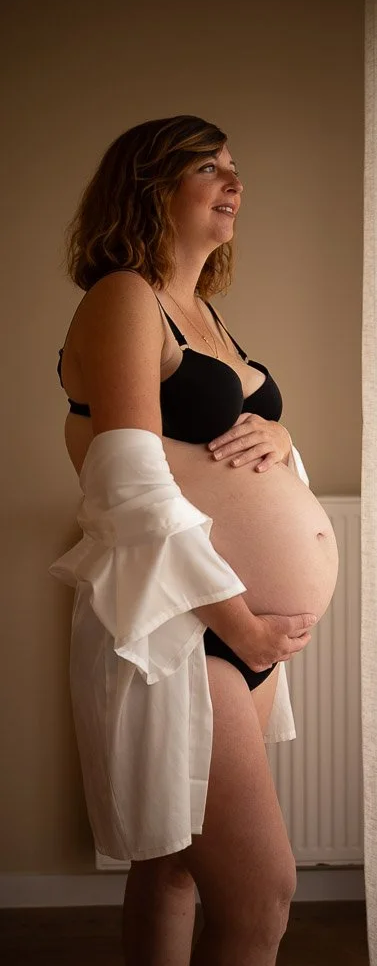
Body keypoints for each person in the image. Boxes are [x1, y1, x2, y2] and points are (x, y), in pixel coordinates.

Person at [49, 114, 335, 966]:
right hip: (188, 627)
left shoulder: (203, 312)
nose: (234, 183)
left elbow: (238, 454)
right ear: (151, 187)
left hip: (231, 632)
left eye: (234, 167)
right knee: (262, 894)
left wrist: (285, 441)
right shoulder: (125, 298)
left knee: (174, 869)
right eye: (209, 167)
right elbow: (127, 485)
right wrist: (242, 624)